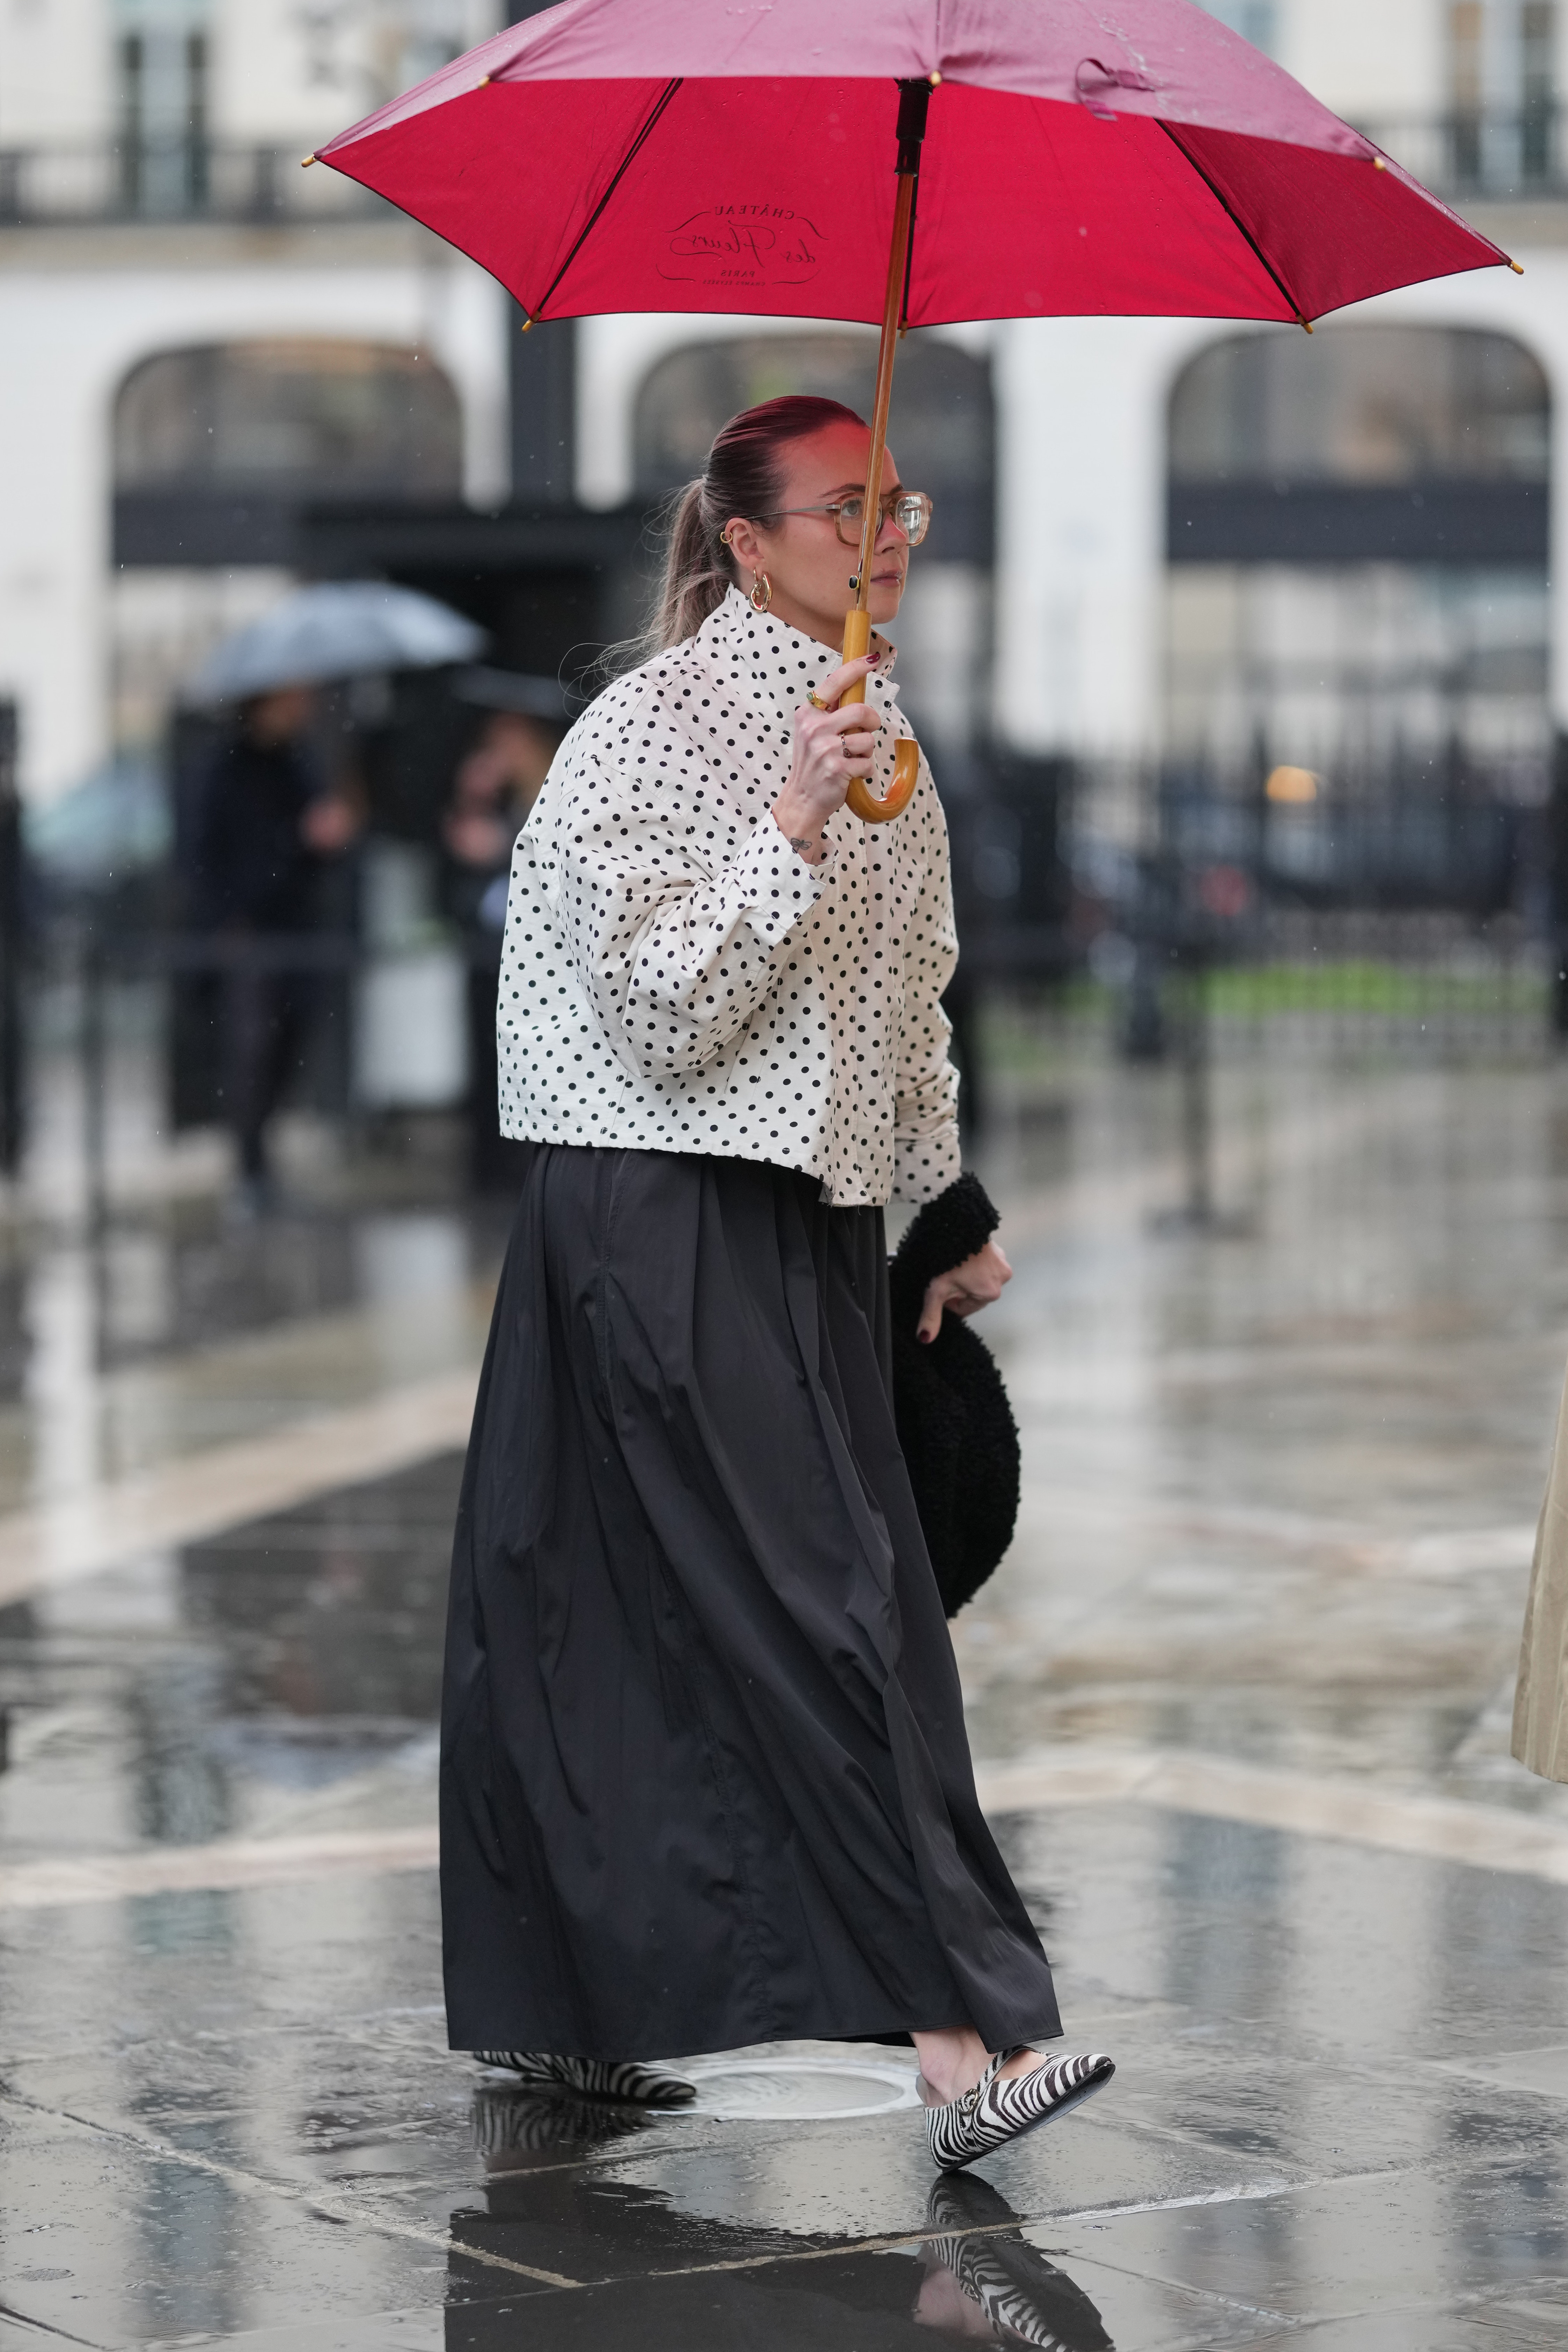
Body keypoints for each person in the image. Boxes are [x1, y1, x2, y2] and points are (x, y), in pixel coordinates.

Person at [441, 395, 1113, 2172]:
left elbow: (906, 1002)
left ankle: (568, 2016)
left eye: (899, 507)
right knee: (817, 1609)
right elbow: (666, 1011)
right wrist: (789, 826)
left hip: (809, 1227)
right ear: (743, 544)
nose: (882, 538)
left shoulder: (873, 723)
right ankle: (965, 2051)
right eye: (841, 512)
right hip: (654, 1217)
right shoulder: (643, 731)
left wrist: (939, 1201)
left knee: (634, 1607)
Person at [185, 683, 359, 1213]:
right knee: (251, 1054)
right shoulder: (225, 768)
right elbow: (213, 856)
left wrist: (324, 836)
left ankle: (263, 1170)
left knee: (288, 1047)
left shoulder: (298, 762)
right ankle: (250, 1174)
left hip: (295, 933)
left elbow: (311, 846)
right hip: (250, 935)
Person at [441, 671, 569, 1193]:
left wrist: (498, 844)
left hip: (540, 960)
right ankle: (488, 1173)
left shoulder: (555, 789)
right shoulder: (489, 794)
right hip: (487, 954)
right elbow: (460, 869)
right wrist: (474, 801)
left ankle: (522, 1172)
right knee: (484, 1060)